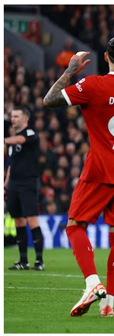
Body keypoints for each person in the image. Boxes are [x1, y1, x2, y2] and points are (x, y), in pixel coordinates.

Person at [43, 36, 114, 317]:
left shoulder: (92, 85)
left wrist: (70, 71)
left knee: (74, 226)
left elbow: (49, 100)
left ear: (106, 57)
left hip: (99, 169)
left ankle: (92, 283)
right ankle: (108, 306)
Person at [4, 107, 45, 271]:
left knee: (32, 220)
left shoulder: (30, 134)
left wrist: (4, 140)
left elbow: (20, 140)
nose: (13, 119)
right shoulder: (13, 140)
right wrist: (5, 186)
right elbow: (11, 166)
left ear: (25, 118)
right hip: (14, 183)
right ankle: (23, 261)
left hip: (28, 183)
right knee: (18, 221)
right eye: (12, 116)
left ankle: (39, 261)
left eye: (16, 116)